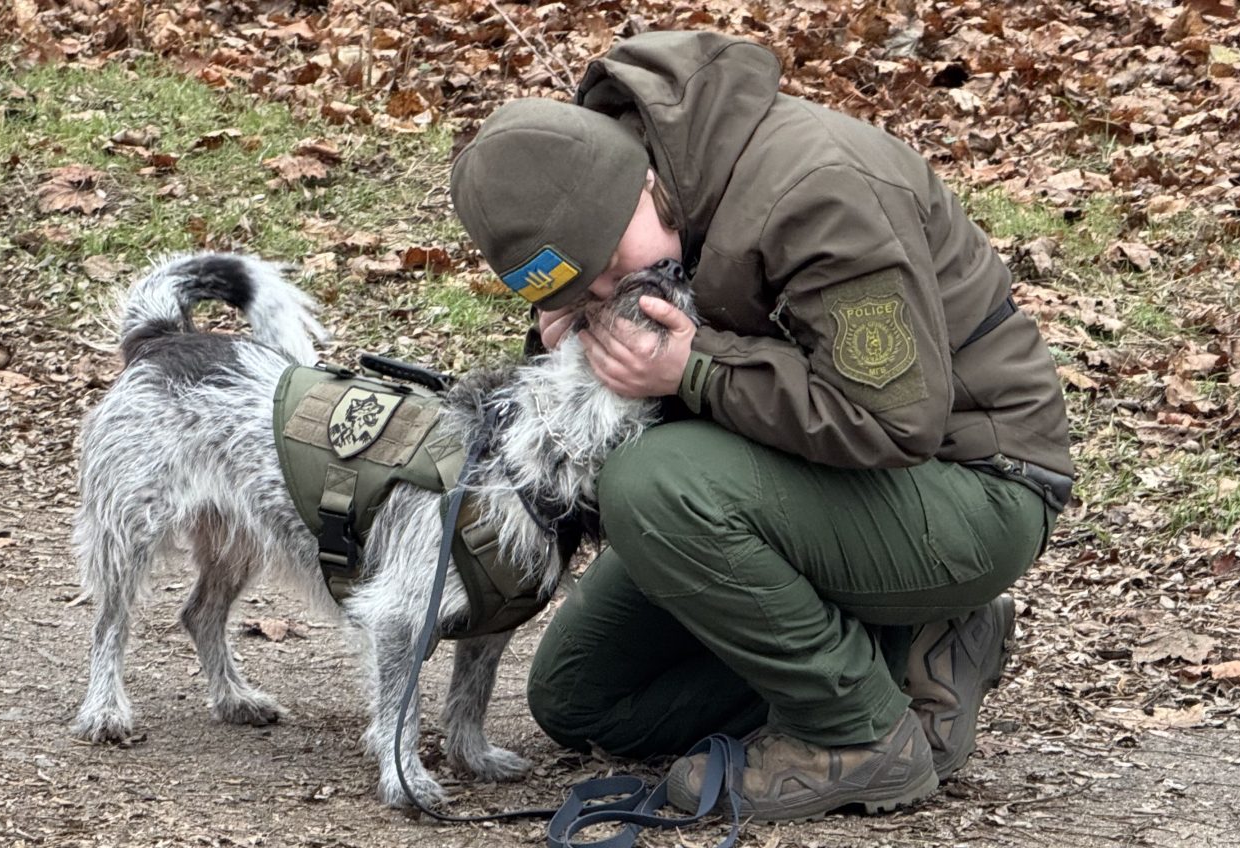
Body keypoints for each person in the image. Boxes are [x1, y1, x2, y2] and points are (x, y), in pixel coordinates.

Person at [448, 30, 1073, 821]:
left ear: (639, 179)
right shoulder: (643, 188)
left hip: (972, 486)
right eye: (579, 288)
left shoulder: (821, 190)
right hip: (808, 480)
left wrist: (693, 369)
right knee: (580, 696)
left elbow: (892, 421)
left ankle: (859, 736)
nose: (612, 291)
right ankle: (911, 645)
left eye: (609, 264)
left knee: (651, 485)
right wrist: (567, 338)